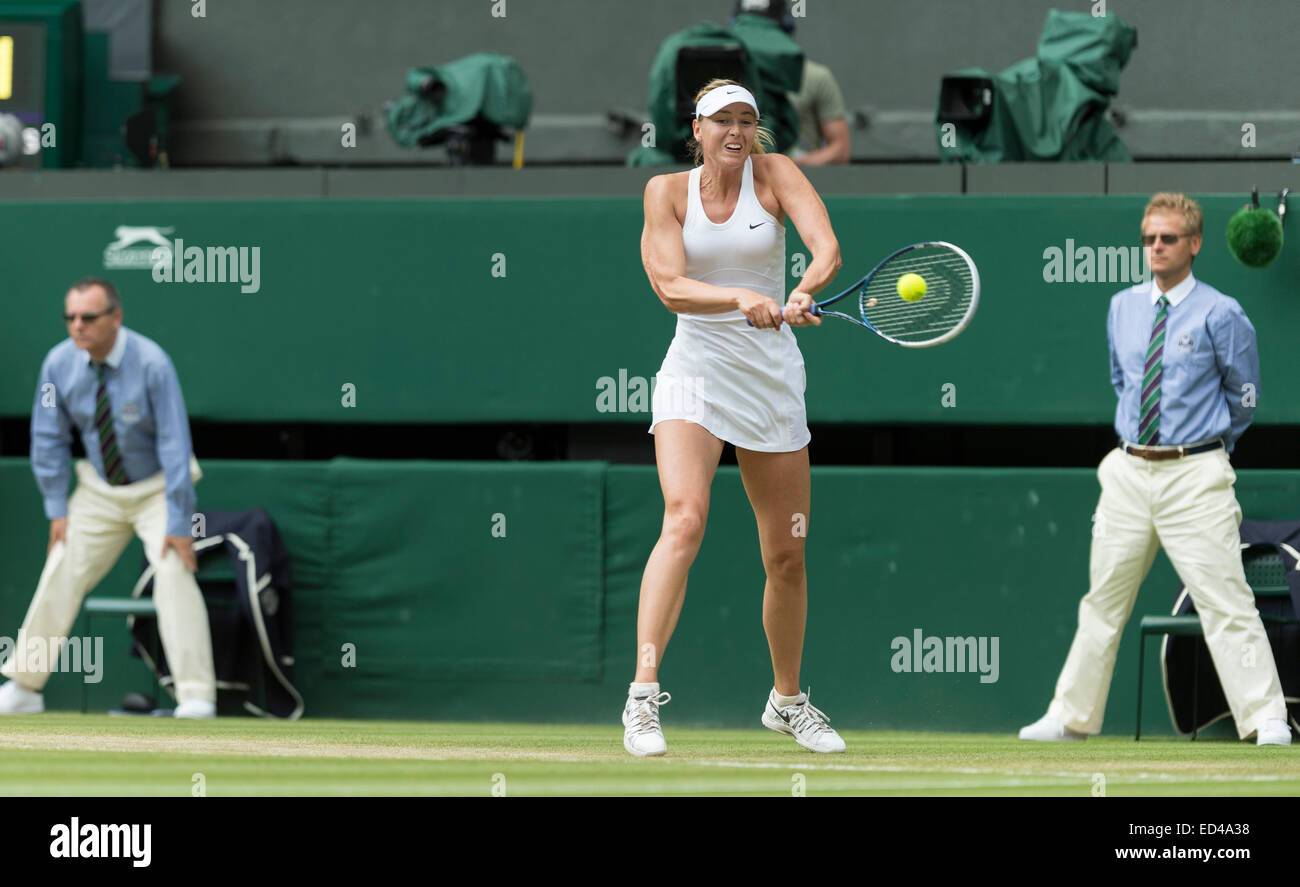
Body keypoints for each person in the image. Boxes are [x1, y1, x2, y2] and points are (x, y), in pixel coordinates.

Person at [1019, 193, 1292, 747]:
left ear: (1194, 243)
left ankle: (1267, 719)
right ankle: (1071, 717)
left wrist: (1206, 449)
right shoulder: (1121, 306)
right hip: (1127, 470)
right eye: (1149, 239)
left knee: (1227, 599)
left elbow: (1245, 396)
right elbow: (1124, 382)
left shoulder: (1222, 312)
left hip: (1196, 474)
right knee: (1102, 601)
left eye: (1168, 238)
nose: (1157, 247)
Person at [628, 78, 844, 756]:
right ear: (696, 128)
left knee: (786, 555)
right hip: (694, 374)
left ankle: (786, 701)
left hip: (770, 380)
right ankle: (642, 696)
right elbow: (669, 285)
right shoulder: (664, 192)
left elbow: (826, 247)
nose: (736, 130)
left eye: (747, 120)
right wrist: (736, 298)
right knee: (684, 518)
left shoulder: (776, 174)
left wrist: (804, 289)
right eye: (722, 119)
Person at [0, 277, 217, 719]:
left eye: (89, 317)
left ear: (115, 318)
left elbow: (176, 445)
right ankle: (24, 686)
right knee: (60, 567)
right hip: (99, 490)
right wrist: (56, 507)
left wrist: (179, 519)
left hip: (157, 488)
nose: (78, 326)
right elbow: (47, 437)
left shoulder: (153, 363)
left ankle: (197, 696)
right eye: (70, 317)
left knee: (174, 571)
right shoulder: (57, 366)